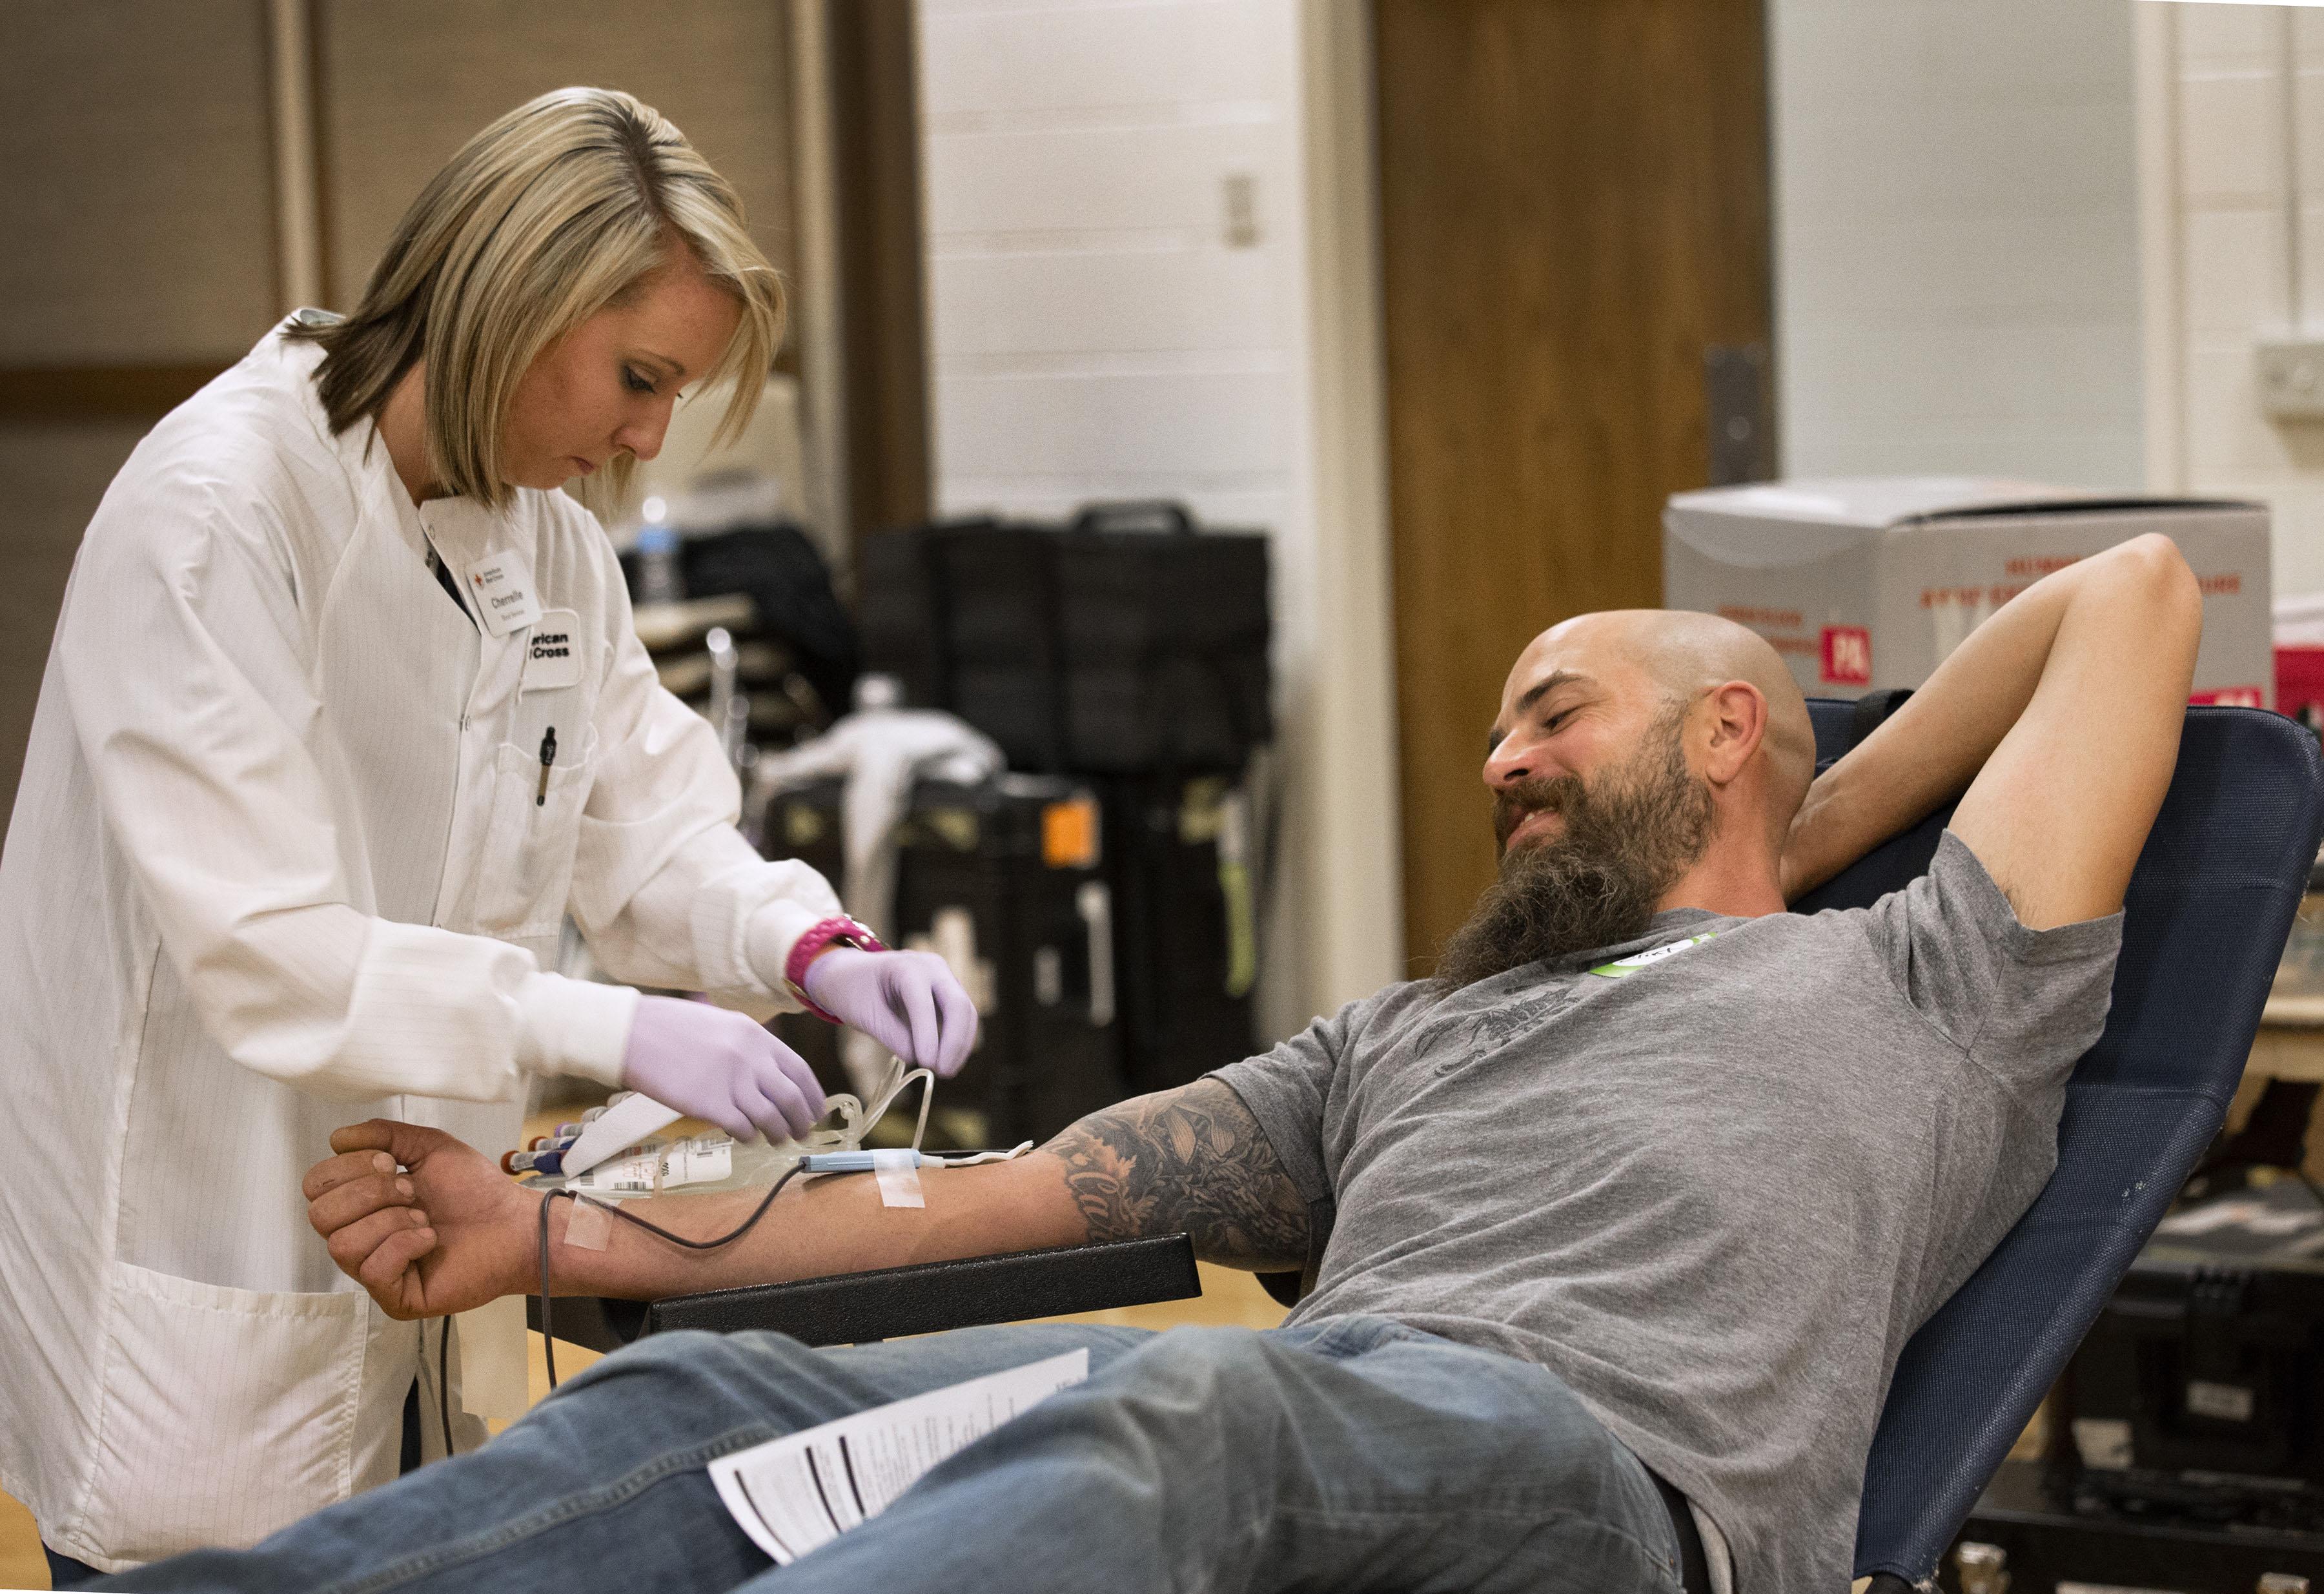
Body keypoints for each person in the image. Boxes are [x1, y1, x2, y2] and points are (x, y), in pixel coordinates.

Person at [108, 536, 2198, 1594]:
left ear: (1724, 736)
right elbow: (994, 1197)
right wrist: (539, 1224)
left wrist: (1796, 855)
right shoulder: (1403, 1039)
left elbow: (2130, 594)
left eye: (1554, 714)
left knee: (1189, 1409)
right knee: (725, 1410)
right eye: (1499, 733)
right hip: (1329, 1417)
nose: (1500, 762)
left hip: (1610, 1491)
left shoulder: (1928, 984)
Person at [0, 88, 979, 1584]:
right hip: (210, 1251)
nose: (645, 435)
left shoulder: (545, 544)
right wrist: (619, 1023)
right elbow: (267, 949)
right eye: (638, 377)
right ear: (515, 288)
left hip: (421, 1246)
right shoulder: (222, 512)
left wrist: (813, 942)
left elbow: (649, 828)